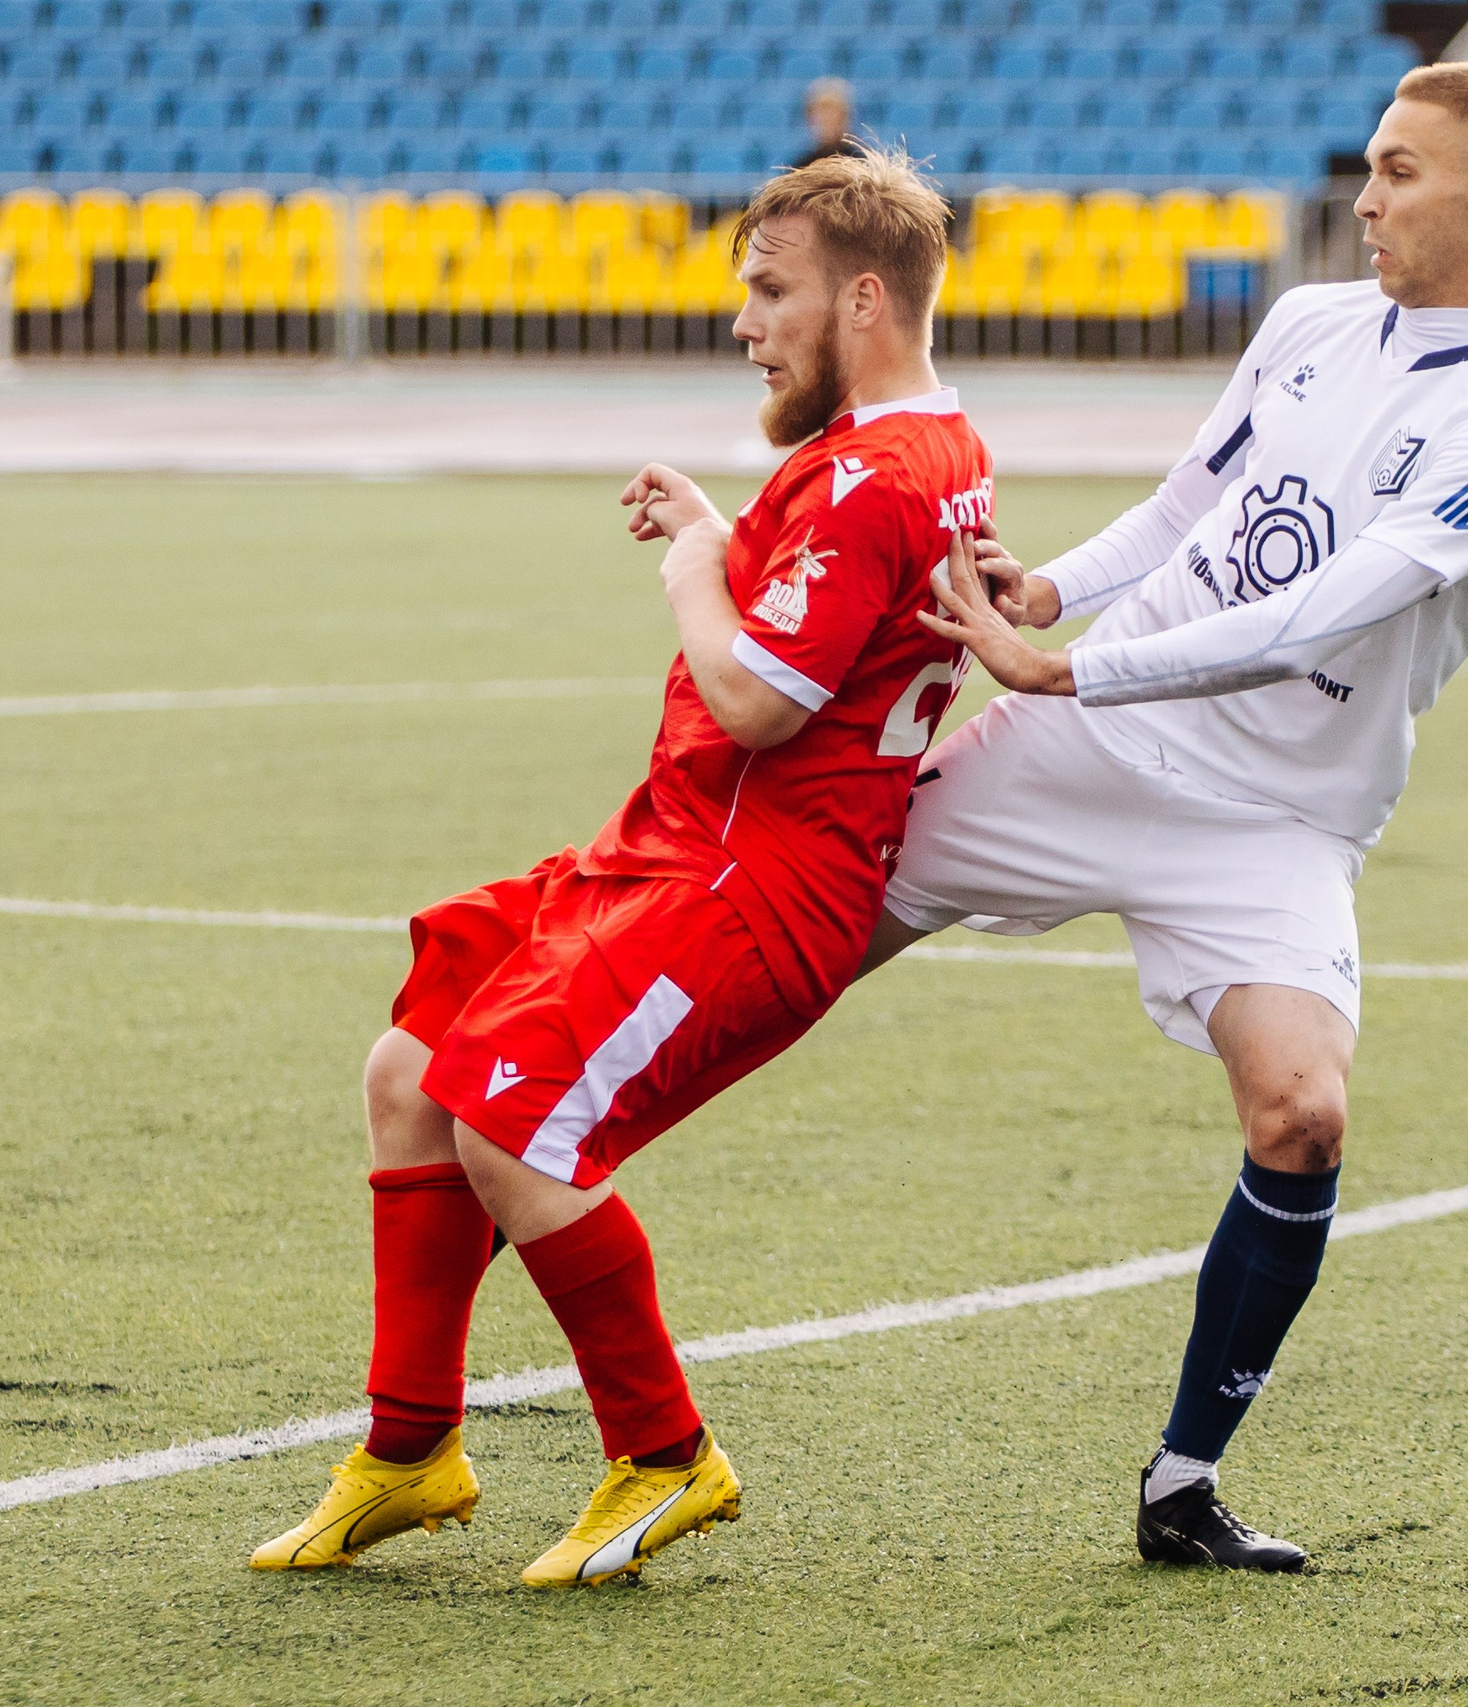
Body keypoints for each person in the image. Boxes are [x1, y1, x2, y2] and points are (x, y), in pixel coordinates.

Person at [865, 61, 1468, 1571]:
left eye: (1398, 170)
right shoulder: (1314, 322)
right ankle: (542, 1149)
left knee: (1304, 1115)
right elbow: (1193, 507)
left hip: (1274, 820)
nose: (1366, 194)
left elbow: (1323, 612)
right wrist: (1053, 587)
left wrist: (1071, 665)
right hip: (1085, 750)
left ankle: (1180, 1481)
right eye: (1372, 168)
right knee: (799, 934)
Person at [251, 144, 990, 1587]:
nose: (744, 323)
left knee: (514, 1123)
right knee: (413, 1069)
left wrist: (689, 570)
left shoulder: (877, 475)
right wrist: (725, 533)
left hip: (746, 886)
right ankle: (409, 1450)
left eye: (768, 292)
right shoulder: (908, 452)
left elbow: (763, 701)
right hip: (662, 850)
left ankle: (664, 1451)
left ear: (860, 298)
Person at [792, 78, 857, 169]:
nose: (827, 119)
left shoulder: (861, 163)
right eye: (822, 113)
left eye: (833, 112)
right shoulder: (801, 166)